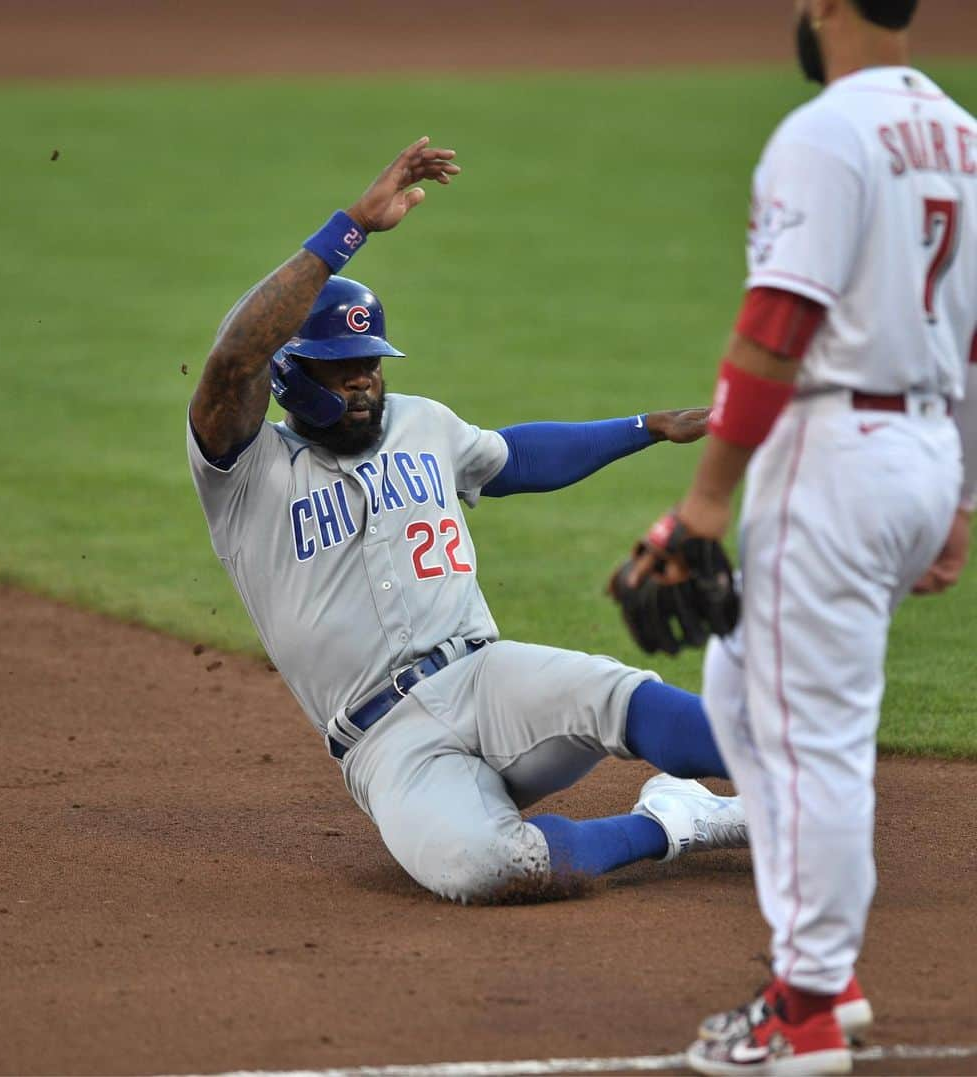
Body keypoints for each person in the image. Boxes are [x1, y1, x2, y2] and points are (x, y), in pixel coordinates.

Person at [186, 137, 750, 905]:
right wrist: (350, 225)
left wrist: (644, 425)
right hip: (387, 745)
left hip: (486, 676)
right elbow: (229, 363)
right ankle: (674, 818)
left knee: (620, 697)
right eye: (340, 367)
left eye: (371, 363)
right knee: (494, 867)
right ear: (289, 371)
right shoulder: (245, 471)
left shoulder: (421, 423)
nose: (363, 381)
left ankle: (795, 773)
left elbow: (512, 458)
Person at [612, 1, 976, 1073]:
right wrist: (956, 500)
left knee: (810, 731)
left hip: (834, 459)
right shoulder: (961, 133)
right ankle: (821, 971)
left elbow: (778, 323)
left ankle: (808, 1005)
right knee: (739, 699)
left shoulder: (824, 131)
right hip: (914, 453)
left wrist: (707, 500)